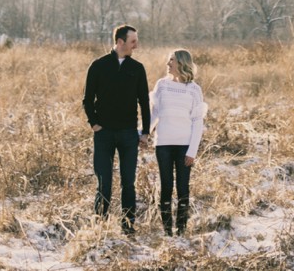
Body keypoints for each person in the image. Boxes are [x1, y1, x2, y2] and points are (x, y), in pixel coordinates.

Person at [82, 23, 150, 233]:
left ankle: (128, 228)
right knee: (103, 183)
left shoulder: (137, 69)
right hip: (104, 134)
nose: (136, 46)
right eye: (132, 42)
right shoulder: (98, 65)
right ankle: (100, 228)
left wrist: (145, 132)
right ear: (120, 42)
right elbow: (87, 98)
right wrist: (94, 123)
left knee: (128, 184)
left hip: (129, 134)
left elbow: (144, 102)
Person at [149, 47, 206, 236]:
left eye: (171, 60)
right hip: (163, 144)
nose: (168, 64)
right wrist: (144, 132)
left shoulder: (194, 90)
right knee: (166, 186)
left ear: (181, 63)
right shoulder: (162, 85)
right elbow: (155, 113)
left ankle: (181, 229)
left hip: (184, 146)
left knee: (182, 188)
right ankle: (167, 231)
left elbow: (198, 122)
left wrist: (192, 151)